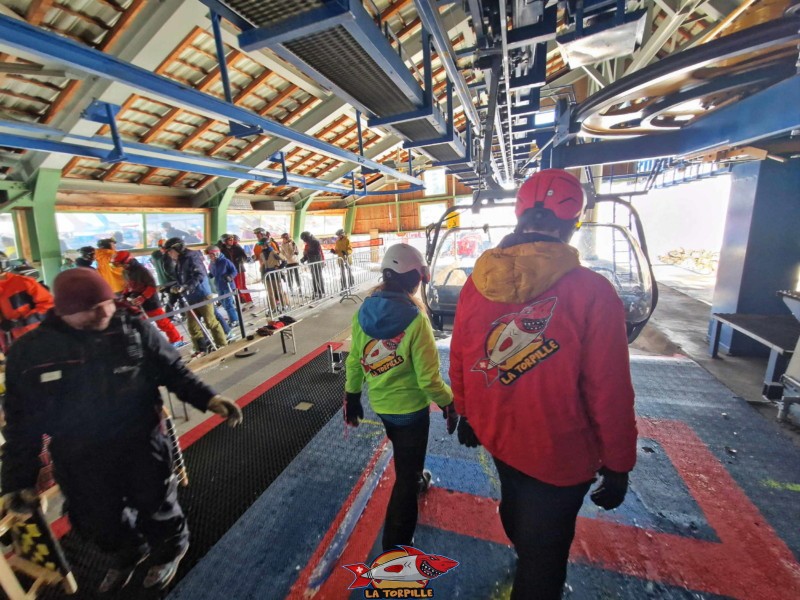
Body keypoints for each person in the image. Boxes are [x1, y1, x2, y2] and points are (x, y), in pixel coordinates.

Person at [449, 169, 637, 600]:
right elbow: (608, 388)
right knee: (544, 560)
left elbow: (460, 354)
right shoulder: (592, 291)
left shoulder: (477, 284)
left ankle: (523, 540)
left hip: (499, 434)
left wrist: (467, 412)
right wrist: (619, 461)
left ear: (519, 216)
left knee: (516, 509)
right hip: (560, 452)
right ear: (573, 224)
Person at [0, 268, 243, 593]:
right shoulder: (30, 353)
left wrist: (209, 398)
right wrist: (18, 481)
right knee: (96, 517)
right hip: (79, 455)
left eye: (107, 303)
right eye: (91, 308)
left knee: (156, 504)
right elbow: (21, 422)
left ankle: (170, 550)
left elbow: (172, 370)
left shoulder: (133, 329)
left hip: (141, 443)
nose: (105, 312)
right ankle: (127, 552)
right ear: (63, 311)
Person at [344, 244, 456, 551]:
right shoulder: (416, 321)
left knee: (405, 458)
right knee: (405, 480)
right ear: (413, 279)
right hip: (410, 411)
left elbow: (355, 361)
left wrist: (352, 397)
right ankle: (395, 548)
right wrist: (449, 402)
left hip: (380, 406)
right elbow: (429, 380)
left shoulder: (363, 311)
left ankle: (415, 477)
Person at [163, 238, 228, 354]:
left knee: (210, 322)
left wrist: (186, 286)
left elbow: (200, 275)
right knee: (193, 327)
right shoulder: (179, 261)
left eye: (170, 251)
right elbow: (182, 279)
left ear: (177, 248)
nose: (169, 254)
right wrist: (173, 288)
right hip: (190, 297)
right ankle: (201, 349)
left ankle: (222, 345)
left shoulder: (191, 257)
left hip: (202, 294)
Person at [112, 251, 185, 347]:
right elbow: (129, 285)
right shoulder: (126, 271)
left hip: (150, 301)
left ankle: (176, 339)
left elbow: (152, 285)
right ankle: (150, 345)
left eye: (121, 264)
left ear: (127, 261)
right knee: (142, 325)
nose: (121, 266)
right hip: (137, 301)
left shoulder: (142, 270)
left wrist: (143, 297)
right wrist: (124, 295)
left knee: (162, 322)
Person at [0, 252, 54, 351]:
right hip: (8, 344)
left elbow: (48, 305)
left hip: (34, 338)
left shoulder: (24, 283)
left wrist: (21, 322)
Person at [205, 246, 239, 329]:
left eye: (211, 255)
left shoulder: (225, 261)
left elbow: (234, 271)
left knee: (228, 303)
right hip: (219, 286)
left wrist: (230, 276)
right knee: (224, 303)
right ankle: (233, 316)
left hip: (227, 285)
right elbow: (213, 273)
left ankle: (235, 320)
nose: (210, 257)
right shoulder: (212, 263)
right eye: (209, 256)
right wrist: (208, 275)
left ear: (216, 254)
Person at [218, 234, 251, 305]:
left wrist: (241, 259)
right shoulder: (222, 250)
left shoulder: (237, 247)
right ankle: (239, 301)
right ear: (224, 241)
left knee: (241, 286)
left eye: (232, 239)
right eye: (230, 240)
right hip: (231, 271)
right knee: (234, 287)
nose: (232, 241)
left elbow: (245, 257)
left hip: (239, 270)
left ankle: (248, 301)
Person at [300, 231, 325, 299]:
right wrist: (303, 259)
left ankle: (321, 292)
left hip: (317, 262)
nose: (304, 241)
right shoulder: (308, 244)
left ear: (307, 237)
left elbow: (316, 252)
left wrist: (307, 252)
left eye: (304, 239)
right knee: (314, 278)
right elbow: (307, 254)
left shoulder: (315, 242)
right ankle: (315, 291)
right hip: (312, 263)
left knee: (318, 277)